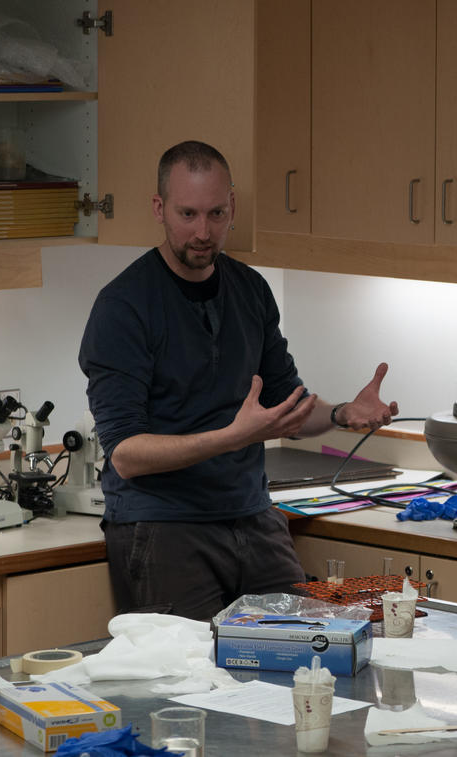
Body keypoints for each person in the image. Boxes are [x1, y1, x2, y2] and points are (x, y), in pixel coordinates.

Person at [78, 140, 398, 621]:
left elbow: (285, 408)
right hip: (163, 525)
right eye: (187, 214)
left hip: (252, 517)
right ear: (159, 209)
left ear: (233, 208)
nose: (203, 232)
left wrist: (338, 414)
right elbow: (126, 455)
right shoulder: (123, 308)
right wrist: (233, 437)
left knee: (305, 653)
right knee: (188, 685)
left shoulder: (250, 289)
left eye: (216, 213)